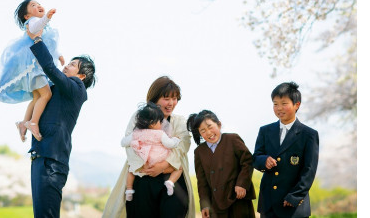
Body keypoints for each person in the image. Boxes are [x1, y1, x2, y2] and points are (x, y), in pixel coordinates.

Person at [103, 76, 196, 218]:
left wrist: (164, 166)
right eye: (166, 98)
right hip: (143, 176)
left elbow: (183, 145)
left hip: (172, 178)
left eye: (175, 98)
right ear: (155, 98)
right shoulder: (139, 116)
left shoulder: (179, 121)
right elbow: (130, 141)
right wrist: (148, 165)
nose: (171, 103)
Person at [27, 36, 96, 218]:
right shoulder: (60, 90)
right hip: (41, 157)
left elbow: (50, 69)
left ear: (82, 76)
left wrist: (37, 40)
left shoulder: (77, 88)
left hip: (52, 161)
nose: (67, 66)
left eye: (73, 65)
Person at [0, 0, 65, 142]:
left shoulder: (45, 28)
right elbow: (36, 27)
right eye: (33, 5)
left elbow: (51, 47)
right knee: (46, 95)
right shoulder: (33, 22)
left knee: (36, 97)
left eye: (38, 3)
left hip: (35, 69)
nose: (38, 6)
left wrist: (59, 55)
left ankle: (23, 123)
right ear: (26, 16)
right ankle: (33, 122)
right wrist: (47, 17)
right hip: (35, 69)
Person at [252, 82, 319, 218]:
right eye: (275, 104)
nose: (279, 108)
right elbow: (255, 157)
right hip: (268, 204)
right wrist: (263, 161)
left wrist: (294, 197)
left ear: (297, 105)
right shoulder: (265, 130)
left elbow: (309, 170)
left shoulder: (309, 134)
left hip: (293, 206)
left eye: (284, 103)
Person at [187, 110, 256, 218]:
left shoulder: (232, 139)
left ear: (219, 124)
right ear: (199, 133)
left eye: (210, 127)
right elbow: (202, 181)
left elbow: (247, 161)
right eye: (203, 130)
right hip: (216, 204)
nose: (208, 133)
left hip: (238, 198)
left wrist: (242, 184)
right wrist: (204, 205)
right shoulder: (199, 151)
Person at [121, 102, 183, 201]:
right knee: (178, 168)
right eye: (160, 121)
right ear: (153, 123)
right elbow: (170, 144)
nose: (161, 123)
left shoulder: (136, 133)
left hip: (143, 160)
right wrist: (176, 140)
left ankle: (129, 189)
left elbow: (123, 143)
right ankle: (170, 182)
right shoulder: (160, 134)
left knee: (131, 170)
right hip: (158, 159)